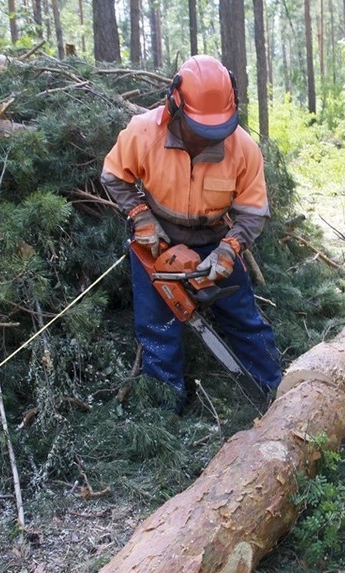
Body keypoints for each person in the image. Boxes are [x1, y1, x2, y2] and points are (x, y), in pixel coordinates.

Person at [100, 54, 282, 410]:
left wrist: (230, 248)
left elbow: (253, 210)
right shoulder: (142, 132)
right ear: (175, 107)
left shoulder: (242, 147)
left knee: (244, 317)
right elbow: (113, 175)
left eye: (215, 131)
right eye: (200, 130)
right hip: (158, 240)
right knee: (157, 328)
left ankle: (276, 390)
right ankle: (166, 407)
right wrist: (139, 215)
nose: (207, 141)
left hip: (215, 236)